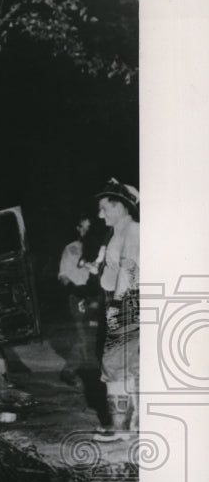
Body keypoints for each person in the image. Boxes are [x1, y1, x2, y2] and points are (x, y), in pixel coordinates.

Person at [92, 178, 140, 441]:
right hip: (122, 304)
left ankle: (120, 428)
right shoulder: (118, 233)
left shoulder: (132, 232)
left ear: (121, 207)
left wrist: (120, 308)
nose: (100, 215)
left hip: (126, 305)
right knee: (126, 367)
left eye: (105, 208)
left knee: (114, 366)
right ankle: (129, 426)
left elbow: (131, 272)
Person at [57, 215, 103, 385]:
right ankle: (92, 376)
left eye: (89, 228)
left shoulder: (98, 248)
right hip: (78, 297)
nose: (86, 231)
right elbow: (63, 275)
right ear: (78, 228)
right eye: (83, 228)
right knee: (84, 335)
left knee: (91, 335)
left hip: (95, 295)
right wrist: (73, 288)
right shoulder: (71, 249)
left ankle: (70, 370)